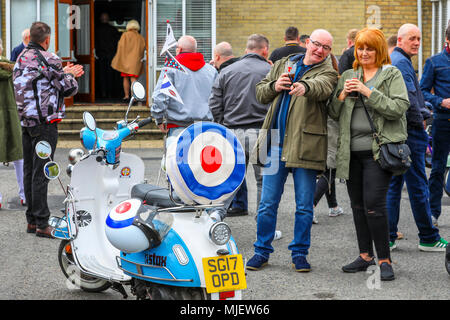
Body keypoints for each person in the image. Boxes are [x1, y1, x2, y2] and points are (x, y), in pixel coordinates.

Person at [246, 29, 338, 272]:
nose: (320, 50)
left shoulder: (328, 71)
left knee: (304, 206)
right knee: (267, 204)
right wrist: (275, 85)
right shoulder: (283, 64)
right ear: (307, 43)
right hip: (275, 143)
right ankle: (261, 251)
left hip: (305, 146)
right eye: (317, 44)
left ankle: (299, 253)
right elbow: (260, 92)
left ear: (329, 52)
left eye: (326, 48)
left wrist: (305, 87)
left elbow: (322, 88)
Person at [328, 27, 410, 281]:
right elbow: (333, 111)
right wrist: (342, 95)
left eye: (369, 48)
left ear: (379, 50)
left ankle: (384, 259)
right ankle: (365, 256)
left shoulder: (390, 73)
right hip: (350, 153)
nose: (363, 53)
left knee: (374, 206)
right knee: (357, 206)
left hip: (378, 151)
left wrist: (368, 92)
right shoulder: (349, 74)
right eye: (360, 48)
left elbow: (399, 108)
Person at [13, 21, 84, 238]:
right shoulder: (49, 57)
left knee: (29, 171)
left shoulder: (21, 57)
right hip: (45, 123)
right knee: (42, 172)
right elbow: (68, 88)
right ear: (46, 40)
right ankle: (43, 223)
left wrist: (62, 71)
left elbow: (42, 78)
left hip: (26, 121)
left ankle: (32, 221)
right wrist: (71, 74)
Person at [387, 23, 447, 252]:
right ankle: (428, 238)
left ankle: (389, 237)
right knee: (418, 185)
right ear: (399, 40)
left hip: (400, 132)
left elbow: (415, 95)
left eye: (419, 38)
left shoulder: (398, 60)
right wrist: (422, 120)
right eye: (412, 38)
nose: (417, 42)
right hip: (410, 133)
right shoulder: (401, 63)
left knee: (395, 185)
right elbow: (410, 100)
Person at [209, 34, 271, 219]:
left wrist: (222, 123)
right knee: (263, 181)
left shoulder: (227, 71)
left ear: (246, 50)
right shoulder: (270, 70)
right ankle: (264, 225)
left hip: (232, 132)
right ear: (265, 50)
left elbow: (214, 103)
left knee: (229, 178)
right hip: (263, 132)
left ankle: (216, 216)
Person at [420, 24, 450, 227]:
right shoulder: (434, 62)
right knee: (438, 167)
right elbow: (422, 91)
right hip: (443, 121)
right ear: (447, 40)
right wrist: (441, 101)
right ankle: (434, 213)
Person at [312, 54, 344, 224]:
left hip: (317, 127)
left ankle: (333, 206)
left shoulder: (314, 77)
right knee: (330, 168)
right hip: (331, 126)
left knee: (329, 168)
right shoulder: (334, 80)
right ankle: (311, 205)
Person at [0, 39, 25, 210]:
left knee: (19, 156)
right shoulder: (12, 67)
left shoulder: (10, 65)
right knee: (19, 156)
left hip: (9, 111)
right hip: (10, 112)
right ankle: (25, 195)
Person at [111, 19, 146, 103]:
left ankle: (126, 96)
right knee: (133, 79)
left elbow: (121, 47)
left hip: (125, 61)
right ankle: (134, 97)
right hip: (136, 61)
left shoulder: (125, 35)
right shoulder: (140, 37)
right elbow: (143, 49)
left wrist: (119, 59)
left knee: (125, 78)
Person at [95, 13, 120, 100]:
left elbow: (95, 43)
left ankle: (103, 93)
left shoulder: (96, 30)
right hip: (111, 56)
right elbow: (117, 43)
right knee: (110, 75)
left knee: (102, 75)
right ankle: (110, 93)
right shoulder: (113, 30)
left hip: (101, 56)